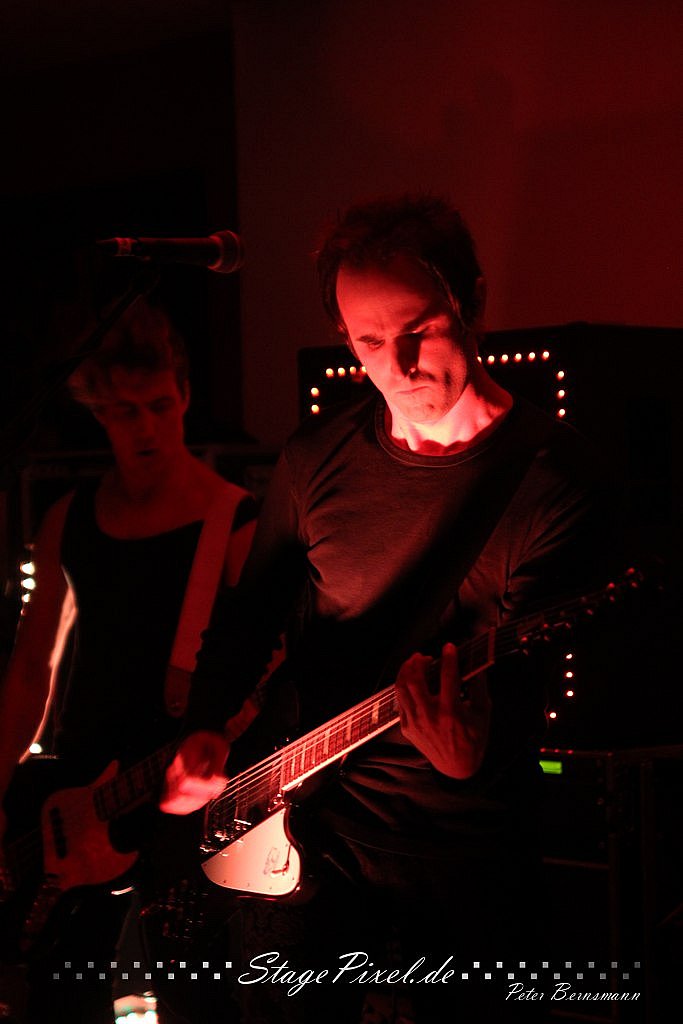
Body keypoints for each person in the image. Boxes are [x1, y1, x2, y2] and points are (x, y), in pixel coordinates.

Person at [161, 193, 620, 1023]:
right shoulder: (313, 458)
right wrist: (205, 723)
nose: (397, 365)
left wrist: (469, 755)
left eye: (419, 330)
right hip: (305, 834)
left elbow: (530, 688)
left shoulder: (554, 482)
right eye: (367, 343)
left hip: (463, 859)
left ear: (471, 302)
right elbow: (250, 615)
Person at [0, 296, 257, 1024]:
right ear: (97, 414)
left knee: (194, 999)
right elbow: (30, 668)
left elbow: (263, 680)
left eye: (159, 405)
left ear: (185, 395)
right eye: (123, 412)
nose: (145, 428)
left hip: (182, 800)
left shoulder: (233, 520)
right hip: (75, 799)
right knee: (59, 998)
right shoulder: (68, 518)